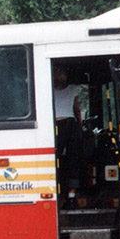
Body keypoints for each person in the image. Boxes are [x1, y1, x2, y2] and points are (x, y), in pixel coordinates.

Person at [53, 64, 84, 201]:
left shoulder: (50, 89)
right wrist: (80, 125)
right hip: (70, 124)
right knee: (74, 158)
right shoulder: (72, 88)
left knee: (56, 158)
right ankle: (71, 193)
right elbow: (77, 109)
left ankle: (57, 189)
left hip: (55, 126)